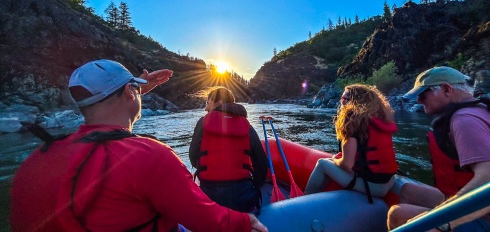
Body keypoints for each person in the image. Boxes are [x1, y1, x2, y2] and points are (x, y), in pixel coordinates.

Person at [10, 59, 267, 232]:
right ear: (128, 93)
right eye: (134, 89)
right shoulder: (151, 156)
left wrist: (134, 90)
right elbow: (207, 218)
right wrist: (247, 221)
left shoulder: (35, 159)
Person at [387, 66, 490, 232]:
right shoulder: (481, 109)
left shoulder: (464, 121)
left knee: (398, 214)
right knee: (408, 191)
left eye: (423, 94)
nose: (418, 100)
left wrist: (443, 222)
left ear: (446, 89)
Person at [304, 84, 398, 203]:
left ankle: (303, 199)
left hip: (373, 186)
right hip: (389, 181)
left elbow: (347, 164)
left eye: (343, 98)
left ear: (353, 101)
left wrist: (335, 159)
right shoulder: (379, 119)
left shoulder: (352, 120)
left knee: (322, 163)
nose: (340, 101)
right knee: (332, 162)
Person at [189, 86, 268, 213]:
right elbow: (261, 163)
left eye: (207, 103)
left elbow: (193, 157)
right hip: (243, 201)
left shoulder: (202, 123)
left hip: (211, 200)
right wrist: (255, 184)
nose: (205, 108)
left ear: (218, 102)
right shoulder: (247, 126)